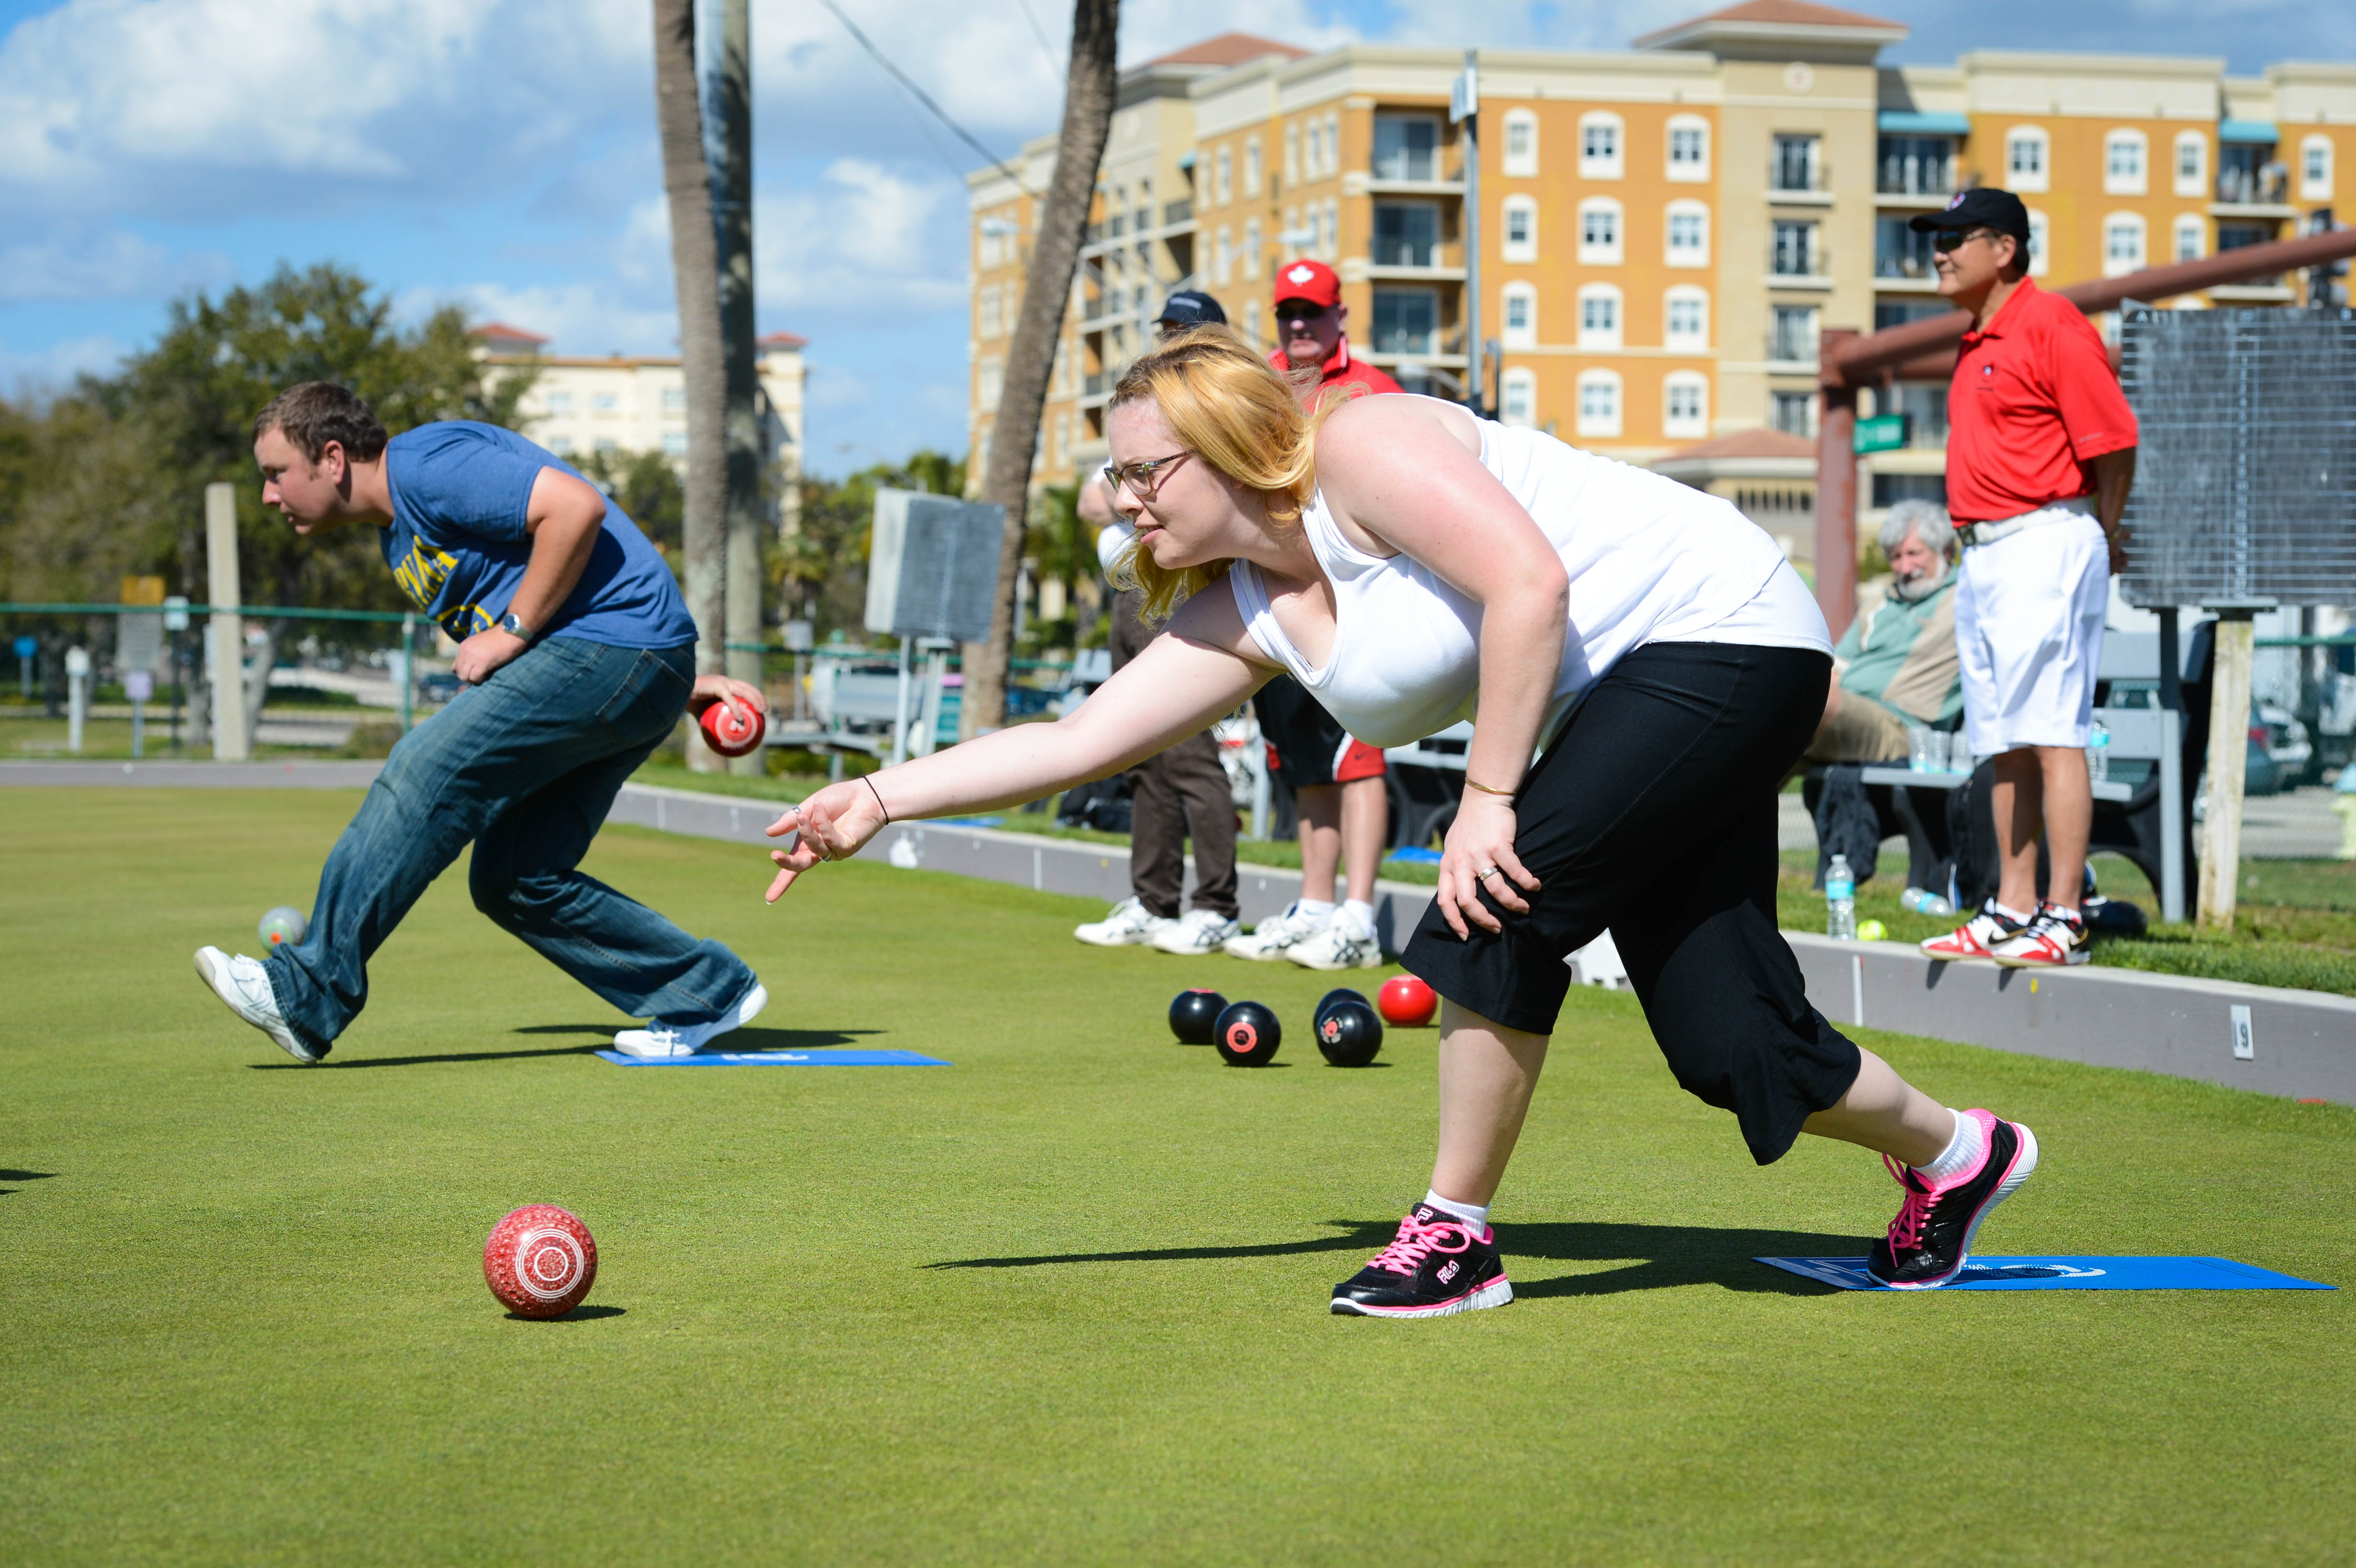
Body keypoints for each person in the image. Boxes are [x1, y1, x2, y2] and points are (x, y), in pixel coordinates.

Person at [762, 330, 2041, 1313]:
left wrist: (1488, 805)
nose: (1125, 498)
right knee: (1729, 1044)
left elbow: (1529, 585)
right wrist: (878, 795)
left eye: (1144, 470)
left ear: (1221, 443)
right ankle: (1959, 1154)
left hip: (1725, 632)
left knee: (1498, 893)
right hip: (1634, 695)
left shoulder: (1361, 450)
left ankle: (1455, 1234)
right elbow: (1078, 739)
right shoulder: (1240, 606)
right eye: (1116, 475)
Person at [191, 383, 769, 1063]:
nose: (269, 494)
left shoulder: (428, 467)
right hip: (628, 666)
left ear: (334, 458)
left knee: (424, 768)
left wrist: (513, 631)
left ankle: (306, 991)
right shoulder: (396, 535)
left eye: (275, 474)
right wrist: (681, 687)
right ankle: (705, 991)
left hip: (617, 649)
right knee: (514, 878)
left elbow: (573, 508)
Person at [1908, 189, 2138, 969]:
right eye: (1934, 238)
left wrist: (2100, 534)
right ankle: (2009, 909)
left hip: (2045, 537)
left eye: (1953, 237)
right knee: (2003, 740)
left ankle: (2063, 914)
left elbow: (2113, 441)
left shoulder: (2050, 325)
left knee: (2051, 733)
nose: (1938, 251)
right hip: (1984, 552)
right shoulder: (1977, 335)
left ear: (2003, 248)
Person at [1222, 260, 1398, 969]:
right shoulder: (1256, 388)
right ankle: (1317, 905)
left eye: (1312, 313)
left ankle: (1359, 918)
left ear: (1339, 318)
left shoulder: (1374, 390)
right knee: (1302, 760)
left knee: (1358, 757)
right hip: (1276, 594)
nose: (1299, 326)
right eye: (1288, 314)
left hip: (1352, 592)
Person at [1072, 291, 1244, 956]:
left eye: (1185, 329)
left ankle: (1216, 906)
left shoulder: (1204, 407)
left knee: (1191, 757)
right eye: (1167, 330)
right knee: (1138, 754)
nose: (1172, 339)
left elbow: (1105, 501)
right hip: (1131, 592)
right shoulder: (1144, 408)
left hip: (1182, 587)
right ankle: (1154, 899)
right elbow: (1094, 499)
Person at [1799, 499, 1964, 766]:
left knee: (1804, 702)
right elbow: (1835, 672)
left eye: (1914, 554)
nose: (1904, 568)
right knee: (1778, 707)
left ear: (1945, 551)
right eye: (1896, 557)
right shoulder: (1878, 606)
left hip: (1905, 731)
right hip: (1847, 715)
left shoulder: (1965, 600)